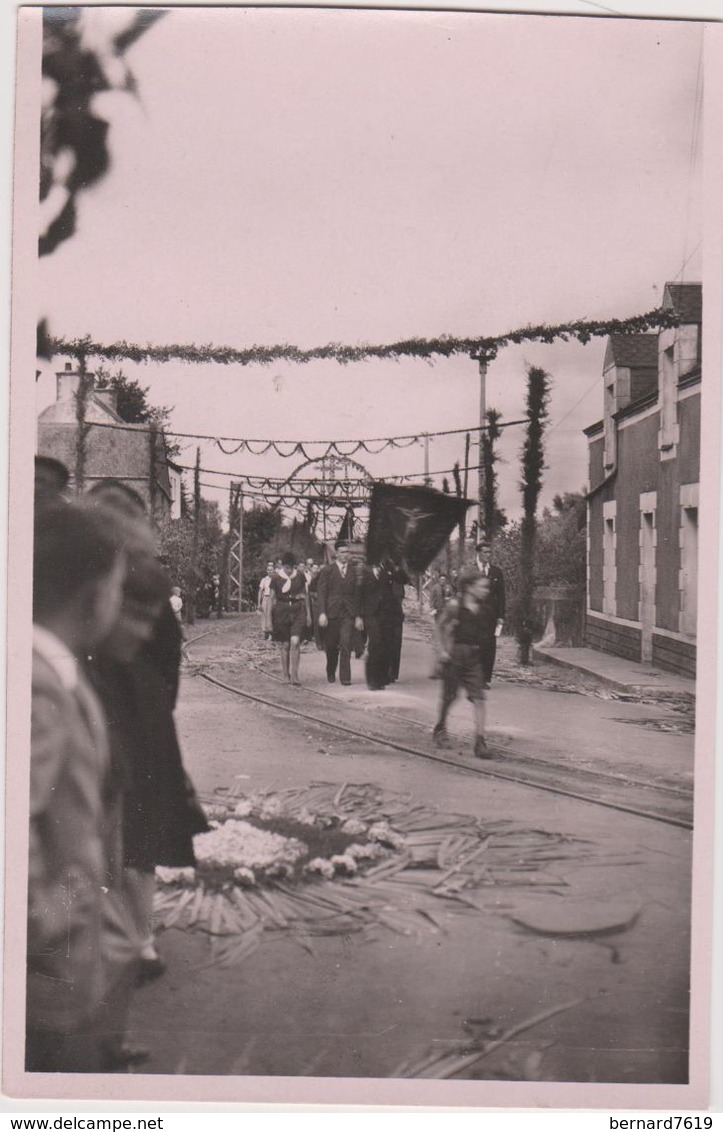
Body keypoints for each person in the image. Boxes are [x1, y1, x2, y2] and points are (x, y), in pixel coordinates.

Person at [27, 502, 135, 1073]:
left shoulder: (56, 673)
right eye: (118, 586)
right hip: (40, 987)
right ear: (94, 595)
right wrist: (51, 925)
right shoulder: (37, 689)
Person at [433, 568, 495, 760]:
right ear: (469, 588)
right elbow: (439, 627)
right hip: (455, 656)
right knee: (449, 697)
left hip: (474, 657)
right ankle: (440, 728)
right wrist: (442, 650)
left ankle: (480, 742)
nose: (486, 591)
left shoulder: (485, 609)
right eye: (482, 587)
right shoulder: (455, 605)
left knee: (479, 698)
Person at [315, 542, 363, 686]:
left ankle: (345, 677)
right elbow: (321, 593)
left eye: (347, 552)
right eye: (342, 552)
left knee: (346, 643)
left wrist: (358, 616)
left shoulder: (353, 572)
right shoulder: (327, 571)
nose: (345, 555)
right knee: (331, 645)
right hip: (331, 613)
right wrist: (322, 613)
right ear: (336, 554)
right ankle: (331, 670)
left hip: (348, 613)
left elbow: (357, 595)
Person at [270, 551, 310, 684]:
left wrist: (308, 614)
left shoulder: (300, 576)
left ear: (294, 567)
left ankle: (295, 675)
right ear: (282, 566)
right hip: (281, 612)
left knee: (295, 641)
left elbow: (305, 596)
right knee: (285, 644)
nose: (288, 570)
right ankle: (285, 674)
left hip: (297, 611)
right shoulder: (276, 578)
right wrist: (269, 620)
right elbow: (271, 598)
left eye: (291, 568)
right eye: (286, 567)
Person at [474, 537, 506, 687]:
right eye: (485, 552)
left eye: (489, 553)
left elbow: (501, 596)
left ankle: (485, 678)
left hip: (490, 616)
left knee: (489, 646)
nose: (488, 555)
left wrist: (501, 616)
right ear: (479, 554)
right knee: (474, 644)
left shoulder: (496, 572)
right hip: (473, 614)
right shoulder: (471, 570)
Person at [360, 562, 393, 690]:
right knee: (374, 644)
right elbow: (359, 594)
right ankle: (371, 680)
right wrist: (358, 615)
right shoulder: (365, 572)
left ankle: (380, 679)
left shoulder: (387, 571)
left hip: (384, 614)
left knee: (383, 646)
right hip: (369, 614)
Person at [256, 562, 275, 640]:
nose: (269, 571)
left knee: (271, 615)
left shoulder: (275, 579)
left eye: (271, 570)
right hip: (265, 598)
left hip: (273, 598)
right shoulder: (264, 580)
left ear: (273, 570)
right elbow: (260, 591)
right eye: (268, 570)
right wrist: (259, 603)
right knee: (264, 615)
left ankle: (271, 633)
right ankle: (265, 632)